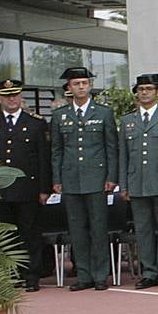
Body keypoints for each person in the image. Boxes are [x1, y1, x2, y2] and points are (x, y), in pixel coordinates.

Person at [0, 80, 50, 292]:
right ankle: (9, 275)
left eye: (15, 95)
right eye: (7, 96)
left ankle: (31, 275)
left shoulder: (35, 123)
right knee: (4, 235)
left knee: (30, 233)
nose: (12, 99)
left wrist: (44, 189)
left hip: (28, 189)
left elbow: (44, 159)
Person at [50, 66, 118, 291]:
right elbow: (57, 150)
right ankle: (84, 275)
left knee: (98, 228)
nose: (81, 87)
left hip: (97, 178)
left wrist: (111, 176)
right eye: (76, 84)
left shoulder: (104, 113)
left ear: (90, 86)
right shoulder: (60, 116)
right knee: (77, 230)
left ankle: (100, 275)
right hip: (71, 179)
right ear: (69, 88)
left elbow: (111, 147)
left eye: (84, 83)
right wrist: (57, 178)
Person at [117, 73, 158, 289]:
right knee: (142, 230)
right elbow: (123, 156)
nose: (144, 93)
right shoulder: (128, 121)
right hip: (137, 184)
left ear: (157, 92)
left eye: (149, 89)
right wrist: (123, 185)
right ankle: (148, 272)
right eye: (141, 89)